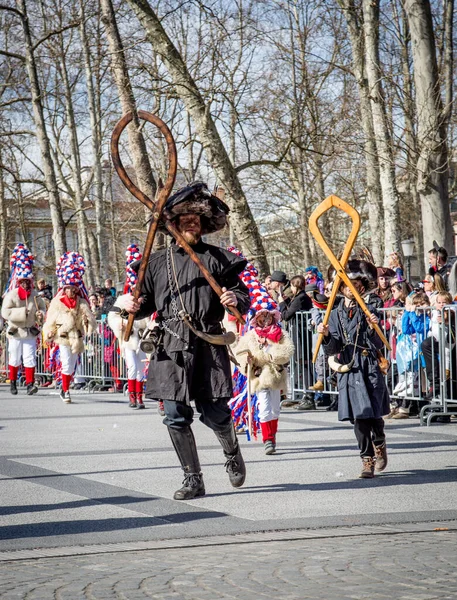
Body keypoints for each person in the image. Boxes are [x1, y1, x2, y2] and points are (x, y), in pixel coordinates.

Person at [122, 182, 251, 500]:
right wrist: (134, 306)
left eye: (197, 220)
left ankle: (231, 450)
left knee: (214, 412)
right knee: (176, 415)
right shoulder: (155, 263)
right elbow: (148, 304)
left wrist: (236, 296)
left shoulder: (219, 260)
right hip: (169, 345)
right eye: (185, 219)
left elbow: (243, 299)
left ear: (203, 225)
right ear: (174, 225)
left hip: (208, 343)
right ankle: (193, 479)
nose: (191, 224)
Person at [318, 259, 390, 479]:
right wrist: (327, 335)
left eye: (356, 285)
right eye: (347, 286)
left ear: (361, 287)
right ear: (341, 288)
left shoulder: (370, 308)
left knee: (374, 415)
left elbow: (379, 344)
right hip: (349, 368)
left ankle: (380, 442)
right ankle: (366, 459)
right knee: (359, 418)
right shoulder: (335, 312)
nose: (352, 289)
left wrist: (373, 327)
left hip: (369, 367)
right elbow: (334, 347)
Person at [235, 308, 294, 455]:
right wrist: (247, 361)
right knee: (264, 408)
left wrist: (269, 349)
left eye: (268, 316)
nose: (266, 319)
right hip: (260, 377)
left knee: (275, 409)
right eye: (262, 317)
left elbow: (287, 352)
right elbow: (240, 354)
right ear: (257, 319)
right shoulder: (250, 336)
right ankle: (267, 439)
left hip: (276, 375)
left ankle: (272, 436)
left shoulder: (280, 334)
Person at [43, 252, 97, 404]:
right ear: (64, 289)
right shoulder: (57, 302)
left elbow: (91, 322)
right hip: (63, 336)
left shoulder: (82, 303)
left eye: (74, 289)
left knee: (72, 365)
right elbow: (51, 321)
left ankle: (64, 387)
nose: (71, 292)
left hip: (77, 338)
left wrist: (87, 322)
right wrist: (50, 331)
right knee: (66, 363)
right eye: (69, 289)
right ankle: (66, 390)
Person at [1, 243, 46, 395]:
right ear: (19, 282)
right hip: (15, 331)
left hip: (29, 331)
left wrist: (40, 315)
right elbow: (5, 312)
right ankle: (13, 382)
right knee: (14, 358)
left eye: (28, 282)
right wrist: (22, 313)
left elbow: (42, 308)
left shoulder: (34, 295)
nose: (26, 284)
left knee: (29, 358)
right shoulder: (12, 295)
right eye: (23, 282)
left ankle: (30, 384)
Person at [108, 244, 149, 410]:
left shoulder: (145, 299)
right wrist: (122, 325)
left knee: (140, 369)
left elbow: (149, 318)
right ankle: (132, 396)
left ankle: (140, 397)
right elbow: (113, 317)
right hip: (128, 337)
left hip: (143, 338)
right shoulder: (122, 300)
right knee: (132, 368)